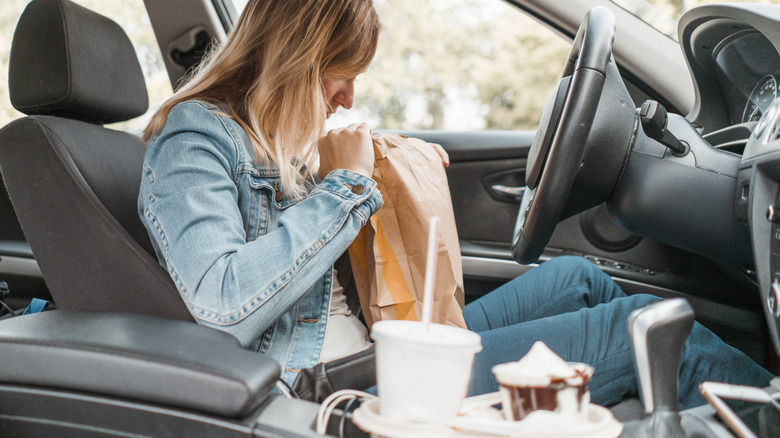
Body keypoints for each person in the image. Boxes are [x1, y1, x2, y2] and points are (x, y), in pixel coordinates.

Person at [139, 0, 772, 410]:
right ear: (295, 59)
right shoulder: (196, 137)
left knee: (578, 279)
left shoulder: (276, 140)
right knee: (626, 325)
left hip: (370, 348)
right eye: (341, 70)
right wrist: (345, 189)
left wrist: (397, 173)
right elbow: (221, 305)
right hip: (327, 390)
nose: (347, 95)